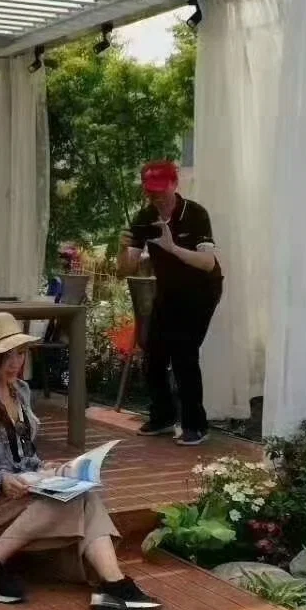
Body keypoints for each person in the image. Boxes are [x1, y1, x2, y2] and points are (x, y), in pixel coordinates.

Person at [0, 312, 162, 610]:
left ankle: (114, 585)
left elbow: (23, 452)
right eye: (9, 355)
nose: (18, 362)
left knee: (81, 491)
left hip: (24, 488)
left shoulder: (20, 392)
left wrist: (47, 469)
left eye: (20, 353)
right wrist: (0, 480)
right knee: (73, 499)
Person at [118, 160, 223, 446]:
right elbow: (125, 269)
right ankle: (163, 417)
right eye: (151, 191)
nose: (156, 197)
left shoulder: (195, 214)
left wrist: (172, 248)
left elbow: (207, 262)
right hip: (169, 291)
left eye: (161, 190)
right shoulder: (144, 218)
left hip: (202, 290)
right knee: (154, 352)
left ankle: (195, 425)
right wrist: (122, 248)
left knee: (184, 353)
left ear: (175, 185)